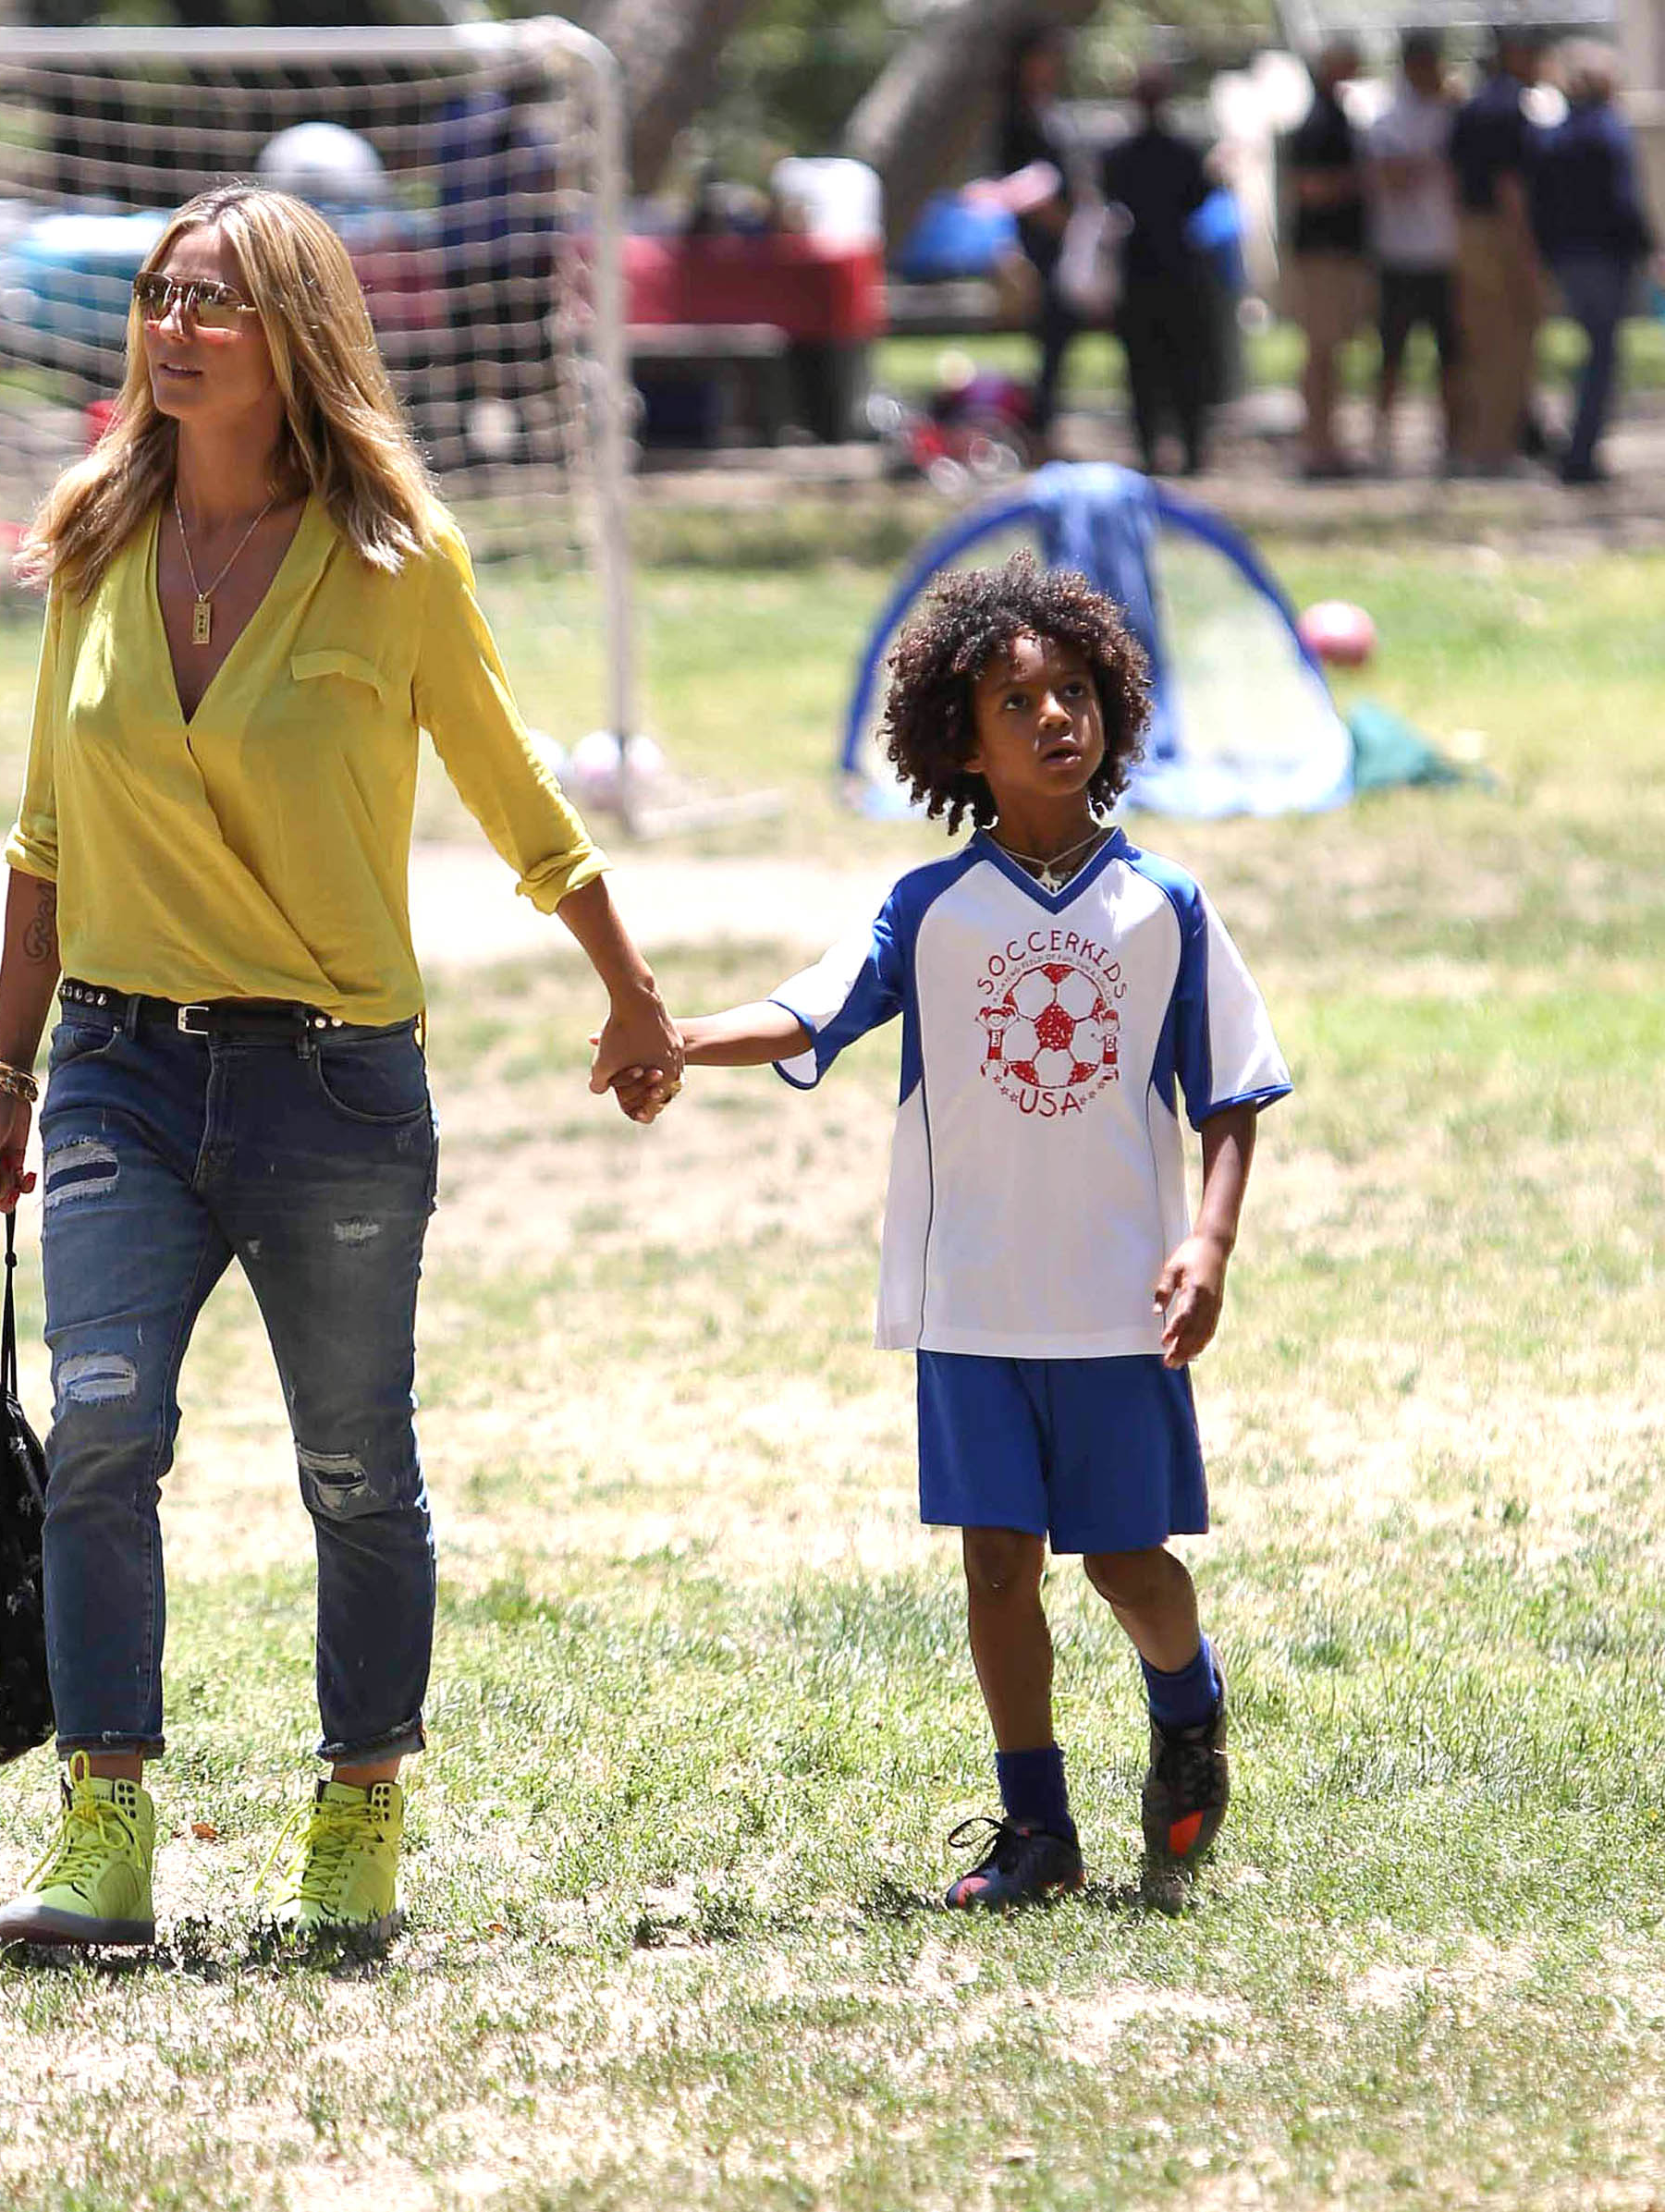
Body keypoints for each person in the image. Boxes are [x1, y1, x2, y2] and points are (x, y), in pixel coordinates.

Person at [0, 184, 682, 1951]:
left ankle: (359, 1806)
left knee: (354, 1463)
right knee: (107, 1430)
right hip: (122, 1065)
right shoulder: (95, 544)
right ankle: (104, 1823)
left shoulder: (394, 563)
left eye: (212, 303)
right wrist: (6, 1070)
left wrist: (631, 991)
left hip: (337, 1084)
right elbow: (45, 832)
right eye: (157, 298)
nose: (172, 328)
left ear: (295, 339)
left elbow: (521, 796)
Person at [630, 555, 1290, 1908]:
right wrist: (687, 1037)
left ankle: (1189, 1710)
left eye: (1072, 691)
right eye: (1015, 700)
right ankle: (1036, 1828)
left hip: (1115, 1301)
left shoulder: (1164, 905)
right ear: (963, 746)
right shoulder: (929, 911)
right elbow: (812, 1011)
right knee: (997, 1563)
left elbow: (1231, 1092)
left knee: (1126, 1563)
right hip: (973, 1302)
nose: (1054, 716)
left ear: (1111, 707)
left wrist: (1209, 1245)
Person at [1529, 43, 1657, 486]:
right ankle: (1581, 452)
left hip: (1568, 257)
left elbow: (1540, 205)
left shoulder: (1554, 135)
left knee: (1590, 351)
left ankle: (1575, 444)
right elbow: (1624, 201)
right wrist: (1645, 248)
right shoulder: (1608, 131)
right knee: (1601, 353)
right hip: (1604, 256)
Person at [1101, 64, 1217, 477]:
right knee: (1183, 365)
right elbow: (1201, 199)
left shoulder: (1118, 158)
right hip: (1177, 270)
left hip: (1142, 272)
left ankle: (1153, 448)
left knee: (1145, 369)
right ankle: (1190, 448)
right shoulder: (1184, 154)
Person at [1449, 30, 1547, 472]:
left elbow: (1451, 176)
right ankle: (1499, 448)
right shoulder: (1512, 108)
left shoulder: (1469, 107)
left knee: (1478, 342)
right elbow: (1512, 188)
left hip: (1468, 232)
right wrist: (1525, 250)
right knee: (1510, 344)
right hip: (1503, 233)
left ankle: (1474, 442)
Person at [1364, 30, 1462, 473]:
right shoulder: (1388, 120)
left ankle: (1452, 439)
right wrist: (1428, 163)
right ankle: (1382, 441)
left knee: (1452, 355)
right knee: (1392, 356)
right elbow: (1390, 179)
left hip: (1446, 255)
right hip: (1399, 255)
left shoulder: (1453, 116)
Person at [989, 29, 1081, 451]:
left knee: (1060, 338)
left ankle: (1043, 422)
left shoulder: (1050, 111)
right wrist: (1063, 224)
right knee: (1050, 332)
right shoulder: (1015, 118)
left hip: (1063, 242)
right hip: (1035, 243)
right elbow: (1017, 186)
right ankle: (1037, 428)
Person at [1284, 40, 1371, 478]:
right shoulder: (1317, 123)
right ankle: (1316, 448)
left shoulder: (1337, 117)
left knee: (1331, 353)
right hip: (1321, 255)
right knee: (1320, 353)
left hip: (1339, 253)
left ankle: (1327, 443)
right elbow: (1309, 187)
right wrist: (1361, 182)